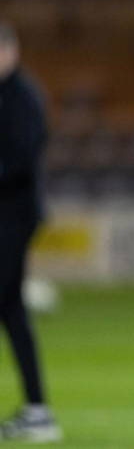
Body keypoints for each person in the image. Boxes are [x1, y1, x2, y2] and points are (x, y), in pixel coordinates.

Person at [0, 22, 61, 443]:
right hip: (8, 214)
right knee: (10, 308)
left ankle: (39, 412)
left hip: (14, 216)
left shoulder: (22, 96)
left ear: (11, 50)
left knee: (8, 303)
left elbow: (22, 159)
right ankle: (37, 410)